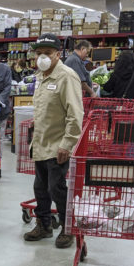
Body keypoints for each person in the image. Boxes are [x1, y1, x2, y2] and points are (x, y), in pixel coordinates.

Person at [22, 34, 83, 248]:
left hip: (57, 145)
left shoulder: (66, 76)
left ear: (58, 54)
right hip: (40, 142)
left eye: (47, 54)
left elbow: (75, 114)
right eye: (39, 54)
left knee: (56, 188)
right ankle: (44, 225)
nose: (42, 58)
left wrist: (67, 144)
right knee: (40, 187)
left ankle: (68, 228)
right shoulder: (40, 76)